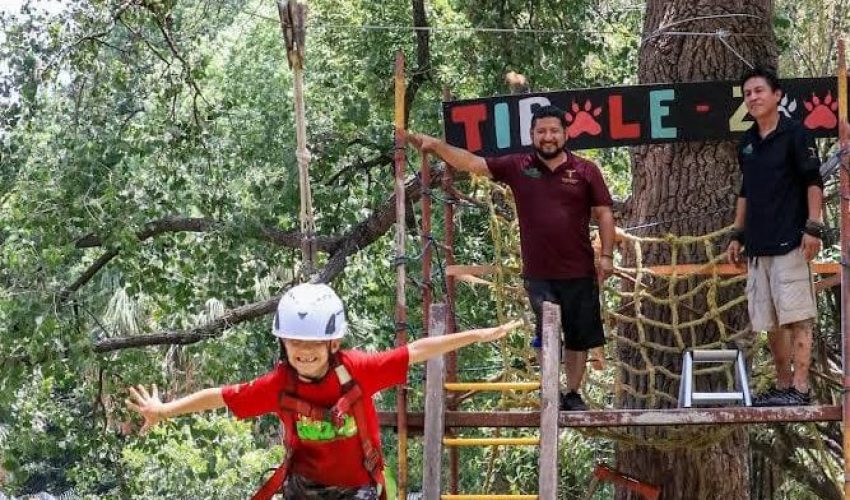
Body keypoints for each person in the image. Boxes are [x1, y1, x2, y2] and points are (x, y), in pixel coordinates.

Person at [126, 283, 520, 499]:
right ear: (283, 344)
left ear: (333, 344)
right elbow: (220, 396)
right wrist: (165, 409)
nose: (304, 352)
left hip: (359, 490)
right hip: (304, 489)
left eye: (314, 344)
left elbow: (416, 351)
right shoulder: (281, 383)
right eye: (295, 343)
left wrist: (477, 335)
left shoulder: (358, 370)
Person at [406, 105, 616, 411]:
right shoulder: (519, 165)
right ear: (532, 134)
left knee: (578, 337)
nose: (548, 137)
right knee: (547, 329)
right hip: (539, 273)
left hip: (580, 270)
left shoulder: (586, 170)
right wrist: (436, 145)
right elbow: (473, 164)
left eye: (554, 131)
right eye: (541, 131)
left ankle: (572, 393)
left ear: (565, 134)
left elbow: (604, 213)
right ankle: (550, 390)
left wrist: (607, 255)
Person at [726, 66, 824, 407]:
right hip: (757, 245)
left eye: (759, 91)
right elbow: (745, 192)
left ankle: (800, 388)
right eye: (748, 93)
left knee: (797, 316)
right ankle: (782, 385)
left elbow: (814, 182)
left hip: (791, 241)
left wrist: (813, 227)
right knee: (769, 321)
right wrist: (737, 234)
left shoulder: (797, 134)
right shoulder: (747, 143)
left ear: (777, 95)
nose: (753, 97)